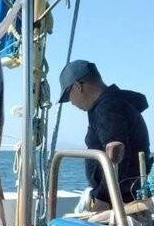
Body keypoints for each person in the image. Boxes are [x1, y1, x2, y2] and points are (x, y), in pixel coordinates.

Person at [59, 59, 152, 210]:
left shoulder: (106, 108)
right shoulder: (118, 101)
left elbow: (115, 150)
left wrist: (103, 198)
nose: (72, 103)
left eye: (68, 97)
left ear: (77, 87)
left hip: (118, 201)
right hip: (127, 194)